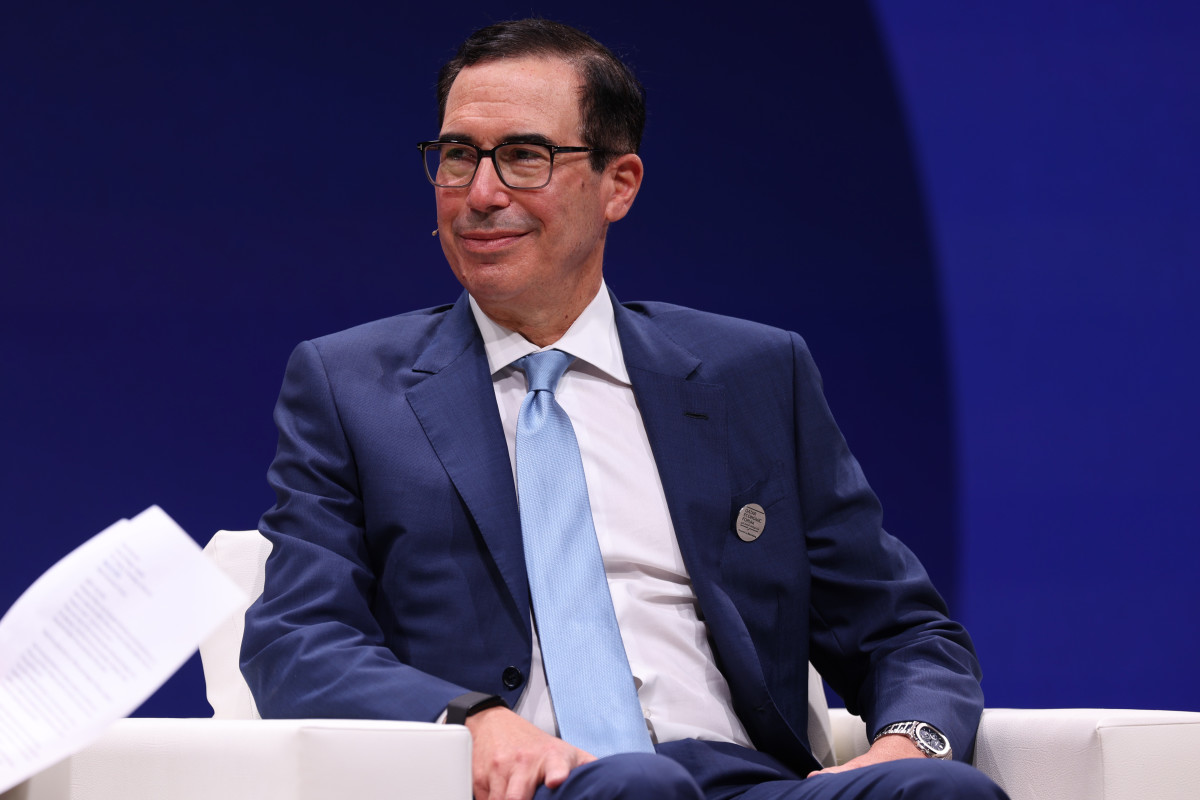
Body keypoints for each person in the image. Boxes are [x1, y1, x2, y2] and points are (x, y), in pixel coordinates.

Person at [241, 18, 1008, 800]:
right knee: (636, 788)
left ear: (620, 184)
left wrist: (910, 742)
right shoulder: (351, 386)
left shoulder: (752, 375)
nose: (480, 194)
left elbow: (901, 630)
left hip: (742, 781)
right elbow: (296, 640)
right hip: (536, 785)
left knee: (948, 794)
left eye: (524, 156)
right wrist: (467, 720)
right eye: (459, 155)